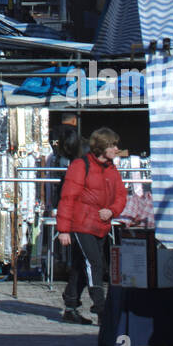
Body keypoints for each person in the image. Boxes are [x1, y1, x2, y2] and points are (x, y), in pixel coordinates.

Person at [56, 126, 127, 325]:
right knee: (95, 264)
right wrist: (63, 229)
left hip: (100, 224)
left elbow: (121, 195)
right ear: (102, 147)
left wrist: (112, 210)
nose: (116, 149)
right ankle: (101, 308)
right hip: (82, 223)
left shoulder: (112, 169)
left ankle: (70, 306)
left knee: (81, 265)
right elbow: (68, 197)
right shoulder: (81, 165)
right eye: (113, 145)